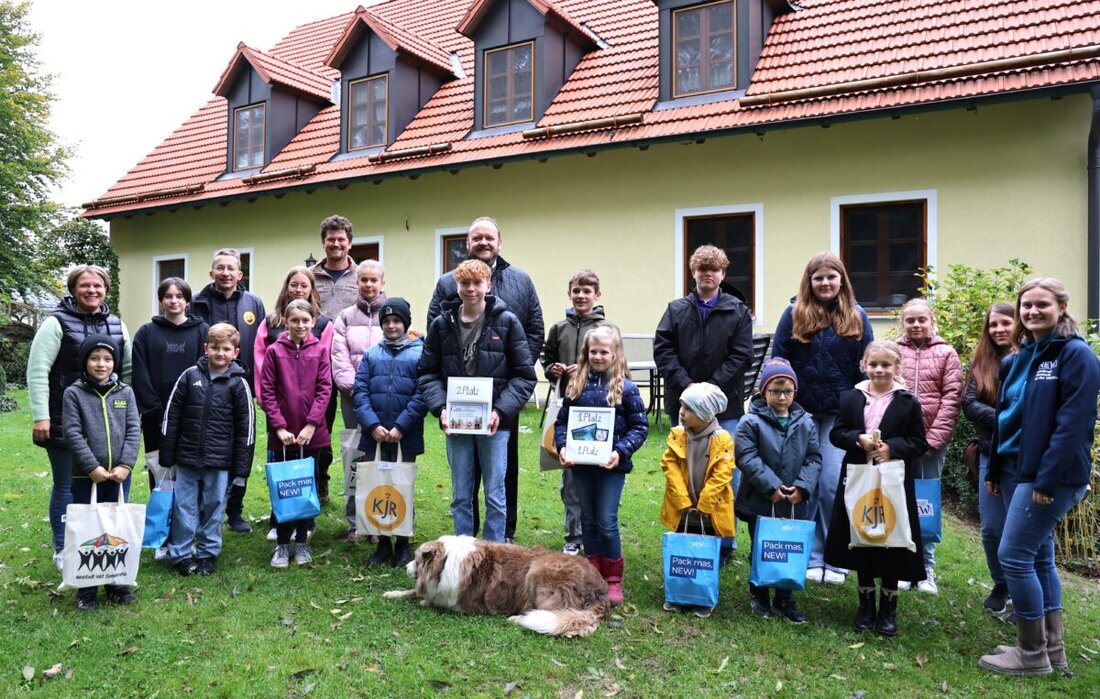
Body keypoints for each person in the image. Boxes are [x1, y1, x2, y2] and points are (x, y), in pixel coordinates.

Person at [979, 278, 1100, 676]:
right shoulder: (1020, 356)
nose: (1031, 312)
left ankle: (1030, 654)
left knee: (1013, 556)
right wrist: (995, 469)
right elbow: (1006, 419)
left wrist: (1047, 482)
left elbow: (1072, 426)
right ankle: (1052, 649)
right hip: (1015, 468)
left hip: (1049, 475)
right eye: (1025, 306)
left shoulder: (1076, 356)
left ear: (1061, 307)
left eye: (1041, 305)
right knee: (1040, 558)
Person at [428, 216, 543, 543]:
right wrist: (441, 407)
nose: (483, 243)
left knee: (499, 481)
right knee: (462, 485)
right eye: (476, 238)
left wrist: (507, 388)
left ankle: (499, 542)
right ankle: (467, 546)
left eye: (489, 238)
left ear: (499, 242)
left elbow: (533, 332)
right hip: (458, 409)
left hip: (501, 403)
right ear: (468, 243)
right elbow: (433, 356)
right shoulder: (446, 286)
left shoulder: (520, 281)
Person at [772, 252, 873, 585]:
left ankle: (834, 555)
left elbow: (867, 365)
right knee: (803, 485)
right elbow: (779, 360)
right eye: (819, 278)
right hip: (800, 414)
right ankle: (808, 555)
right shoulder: (793, 313)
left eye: (831, 277)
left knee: (831, 484)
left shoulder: (857, 316)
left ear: (841, 280)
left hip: (839, 418)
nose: (825, 283)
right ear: (809, 282)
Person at [27, 264, 132, 571]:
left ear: (106, 290)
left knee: (110, 485)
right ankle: (63, 548)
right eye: (84, 285)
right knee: (65, 485)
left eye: (98, 286)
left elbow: (125, 373)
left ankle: (108, 542)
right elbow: (37, 371)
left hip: (108, 423)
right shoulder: (56, 323)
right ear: (73, 289)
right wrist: (41, 416)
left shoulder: (117, 325)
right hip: (64, 417)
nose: (91, 291)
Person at [653, 244, 753, 562]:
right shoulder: (676, 309)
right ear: (693, 272)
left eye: (714, 269)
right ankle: (689, 532)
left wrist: (709, 388)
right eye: (701, 268)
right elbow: (663, 350)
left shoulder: (737, 311)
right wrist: (688, 386)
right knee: (685, 472)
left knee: (723, 474)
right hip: (683, 405)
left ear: (723, 274)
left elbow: (742, 354)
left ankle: (724, 541)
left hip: (726, 408)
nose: (707, 274)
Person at [825, 341, 928, 637]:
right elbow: (837, 433)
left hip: (893, 479)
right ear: (864, 366)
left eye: (886, 365)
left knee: (891, 537)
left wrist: (892, 449)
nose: (879, 370)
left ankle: (888, 608)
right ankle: (865, 605)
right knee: (862, 534)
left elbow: (919, 442)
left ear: (897, 368)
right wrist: (859, 439)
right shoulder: (851, 398)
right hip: (858, 476)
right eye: (874, 364)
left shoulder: (908, 401)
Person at [554, 326, 648, 606]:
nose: (597, 356)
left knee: (607, 520)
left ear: (615, 354)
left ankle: (613, 578)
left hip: (611, 467)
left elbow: (639, 427)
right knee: (588, 519)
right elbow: (562, 423)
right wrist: (562, 447)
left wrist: (620, 452)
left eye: (603, 352)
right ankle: (593, 574)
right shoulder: (576, 386)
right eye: (593, 351)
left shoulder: (626, 388)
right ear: (586, 353)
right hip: (581, 464)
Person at [161, 323, 256, 577]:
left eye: (226, 349)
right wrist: (167, 456)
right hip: (187, 457)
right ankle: (180, 553)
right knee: (184, 506)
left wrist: (241, 468)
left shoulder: (239, 384)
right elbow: (172, 417)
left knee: (214, 506)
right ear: (206, 348)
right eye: (215, 347)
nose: (220, 353)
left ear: (235, 352)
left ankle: (207, 552)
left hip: (220, 460)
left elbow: (247, 428)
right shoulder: (190, 376)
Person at [734, 359, 822, 623]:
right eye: (776, 391)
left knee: (790, 548)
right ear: (764, 392)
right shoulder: (750, 422)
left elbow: (814, 457)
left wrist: (803, 487)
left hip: (795, 502)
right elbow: (746, 457)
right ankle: (759, 596)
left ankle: (785, 599)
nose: (782, 397)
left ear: (795, 392)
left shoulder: (806, 422)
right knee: (762, 547)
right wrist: (771, 486)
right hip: (759, 500)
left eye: (788, 391)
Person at [61, 335, 140, 611]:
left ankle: (117, 584)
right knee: (90, 530)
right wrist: (91, 467)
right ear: (85, 362)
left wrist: (126, 465)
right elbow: (72, 433)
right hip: (87, 477)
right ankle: (87, 589)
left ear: (115, 362)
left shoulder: (125, 392)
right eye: (94, 358)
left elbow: (133, 431)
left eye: (107, 359)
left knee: (115, 530)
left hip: (118, 476)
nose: (101, 364)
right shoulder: (74, 393)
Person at [541, 268, 615, 555]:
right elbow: (547, 360)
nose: (581, 295)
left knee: (602, 474)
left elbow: (617, 368)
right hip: (570, 411)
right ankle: (575, 534)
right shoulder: (559, 328)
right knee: (571, 478)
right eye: (576, 290)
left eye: (587, 291)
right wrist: (554, 369)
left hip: (602, 413)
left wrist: (585, 368)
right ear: (569, 294)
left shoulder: (608, 329)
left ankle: (600, 531)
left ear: (597, 295)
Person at [191, 248, 266, 533]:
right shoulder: (197, 303)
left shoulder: (253, 303)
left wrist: (258, 386)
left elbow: (261, 349)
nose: (225, 273)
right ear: (211, 272)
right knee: (207, 447)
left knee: (242, 447)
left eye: (230, 268)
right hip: (207, 387)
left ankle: (234, 511)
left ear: (240, 274)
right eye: (220, 268)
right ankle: (203, 508)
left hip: (242, 387)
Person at [352, 297, 427, 568]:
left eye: (397, 321)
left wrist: (401, 427)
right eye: (387, 321)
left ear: (406, 323)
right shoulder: (372, 355)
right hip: (376, 435)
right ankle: (383, 544)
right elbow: (360, 391)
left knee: (400, 486)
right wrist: (372, 425)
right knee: (378, 485)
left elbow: (423, 393)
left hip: (405, 435)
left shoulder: (420, 353)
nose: (392, 325)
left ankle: (403, 543)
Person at [259, 300, 333, 568]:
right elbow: (266, 390)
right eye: (295, 320)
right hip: (283, 435)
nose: (300, 325)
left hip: (311, 434)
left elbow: (325, 388)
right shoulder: (274, 351)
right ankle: (281, 543)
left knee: (305, 488)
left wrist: (312, 424)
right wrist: (278, 426)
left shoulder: (321, 350)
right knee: (283, 487)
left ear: (313, 321)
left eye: (306, 320)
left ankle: (302, 541)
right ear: (285, 322)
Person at [896, 298, 963, 594]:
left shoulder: (946, 353)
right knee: (898, 500)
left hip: (931, 443)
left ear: (932, 321)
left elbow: (952, 399)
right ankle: (903, 563)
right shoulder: (894, 352)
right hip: (898, 443)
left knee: (926, 504)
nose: (916, 325)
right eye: (910, 320)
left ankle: (926, 568)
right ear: (903, 323)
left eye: (921, 319)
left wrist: (933, 440)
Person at [254, 267, 334, 514]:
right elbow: (260, 362)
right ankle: (281, 509)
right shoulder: (271, 322)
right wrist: (264, 399)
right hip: (279, 406)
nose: (299, 289)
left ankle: (309, 508)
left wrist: (313, 420)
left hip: (313, 409)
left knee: (313, 455)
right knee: (280, 457)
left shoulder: (322, 324)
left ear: (312, 288)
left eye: (304, 285)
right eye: (294, 284)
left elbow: (325, 375)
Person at [659, 382, 735, 618]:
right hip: (682, 508)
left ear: (703, 413)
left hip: (709, 510)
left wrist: (705, 503)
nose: (681, 412)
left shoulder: (722, 439)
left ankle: (702, 596)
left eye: (688, 408)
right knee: (682, 550)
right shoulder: (678, 434)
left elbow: (723, 473)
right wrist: (682, 500)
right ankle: (678, 593)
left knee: (704, 553)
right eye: (681, 406)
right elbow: (669, 464)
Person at [961, 302, 1016, 615]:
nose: (999, 330)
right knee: (991, 528)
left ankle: (1026, 592)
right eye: (993, 324)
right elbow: (968, 405)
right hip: (988, 451)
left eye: (1005, 323)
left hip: (1023, 456)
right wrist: (1009, 418)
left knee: (1018, 529)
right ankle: (1002, 582)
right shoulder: (981, 360)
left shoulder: (1030, 355)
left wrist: (1009, 417)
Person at [132, 278, 209, 491]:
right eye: (168, 296)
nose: (174, 301)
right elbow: (140, 375)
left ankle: (189, 516)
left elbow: (205, 371)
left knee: (191, 469)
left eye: (179, 296)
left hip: (192, 414)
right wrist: (156, 411)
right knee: (160, 470)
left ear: (187, 302)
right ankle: (162, 514)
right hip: (155, 417)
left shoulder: (203, 331)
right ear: (160, 301)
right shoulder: (146, 333)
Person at [331, 259, 387, 539]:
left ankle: (379, 520)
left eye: (373, 280)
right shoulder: (344, 317)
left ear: (382, 283)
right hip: (353, 398)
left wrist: (380, 392)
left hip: (384, 400)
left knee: (379, 456)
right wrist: (358, 391)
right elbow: (339, 358)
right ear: (357, 282)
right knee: (354, 455)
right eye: (363, 279)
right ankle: (354, 521)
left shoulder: (391, 314)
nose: (368, 284)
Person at [311, 215, 360, 320]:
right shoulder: (308, 276)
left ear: (350, 244)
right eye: (331, 239)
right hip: (316, 336)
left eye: (341, 239)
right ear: (323, 243)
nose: (336, 244)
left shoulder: (362, 276)